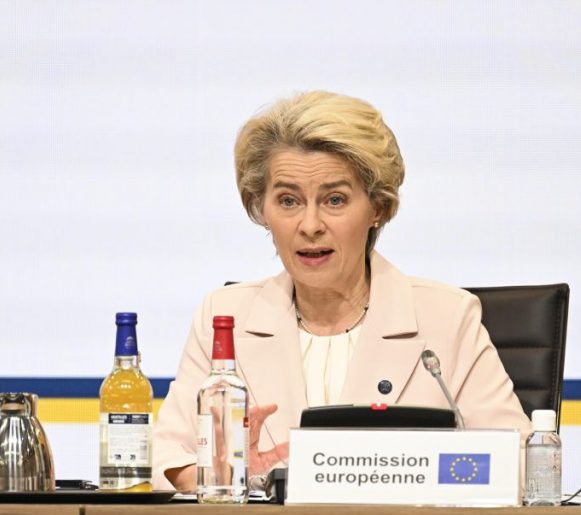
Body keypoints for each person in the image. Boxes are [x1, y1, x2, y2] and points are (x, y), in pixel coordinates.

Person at [153, 91, 530, 491]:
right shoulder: (226, 317)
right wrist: (233, 476)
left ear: (377, 207)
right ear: (262, 209)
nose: (310, 225)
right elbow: (164, 459)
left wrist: (412, 474)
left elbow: (520, 463)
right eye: (288, 201)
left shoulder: (447, 318)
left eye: (335, 200)